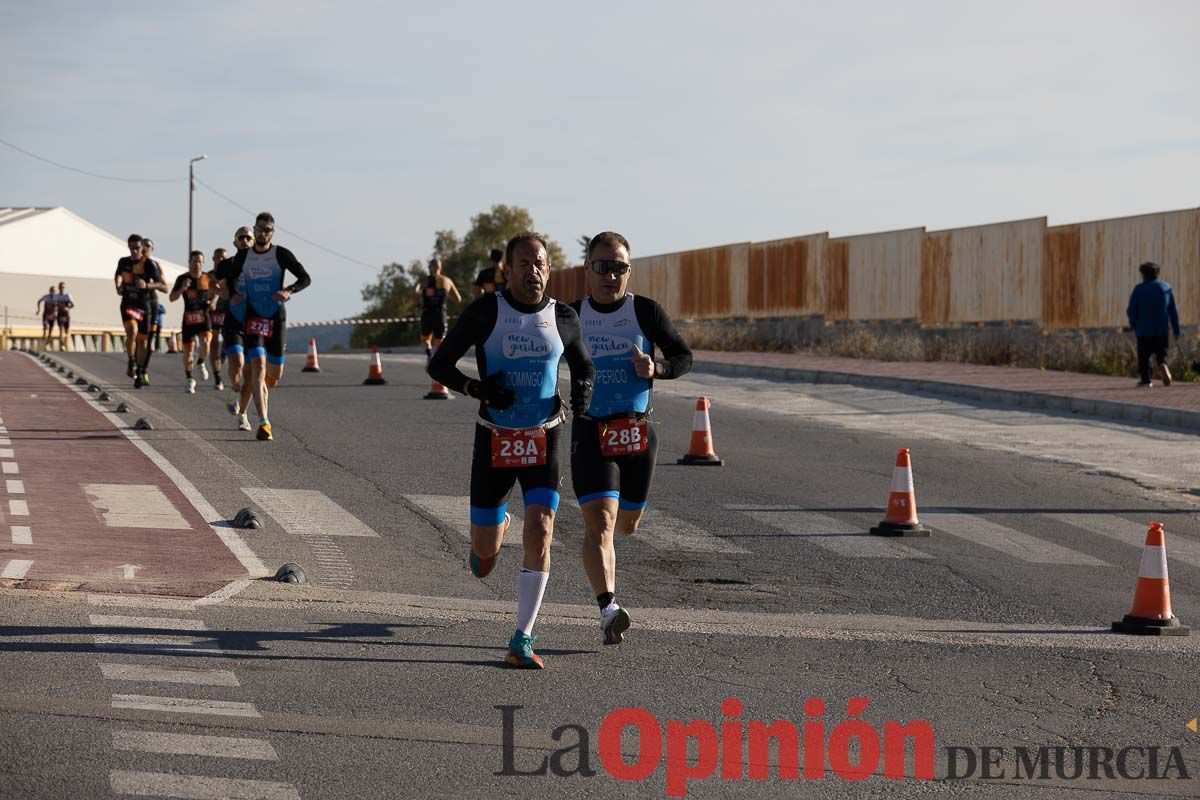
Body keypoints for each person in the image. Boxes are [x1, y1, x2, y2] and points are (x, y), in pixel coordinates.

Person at [428, 232, 594, 669]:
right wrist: (476, 388)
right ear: (508, 271)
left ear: (549, 269)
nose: (532, 271)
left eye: (539, 263)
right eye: (523, 263)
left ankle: (522, 636)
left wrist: (583, 392)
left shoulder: (564, 317)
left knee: (541, 529)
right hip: (495, 435)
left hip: (545, 433)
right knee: (485, 553)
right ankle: (490, 536)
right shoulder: (486, 312)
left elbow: (583, 364)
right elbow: (439, 364)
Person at [570, 231, 693, 645]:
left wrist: (656, 369)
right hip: (592, 432)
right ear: (588, 270)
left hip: (638, 434)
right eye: (602, 267)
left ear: (628, 270)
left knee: (627, 525)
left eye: (618, 267)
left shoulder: (645, 311)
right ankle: (608, 608)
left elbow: (683, 356)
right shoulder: (570, 316)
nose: (610, 275)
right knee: (601, 523)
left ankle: (608, 586)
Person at [219, 212, 311, 441]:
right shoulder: (244, 257)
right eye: (258, 229)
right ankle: (263, 422)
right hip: (253, 317)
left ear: (273, 232)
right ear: (254, 229)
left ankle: (264, 390)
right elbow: (227, 275)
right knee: (257, 365)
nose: (262, 233)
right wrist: (232, 294)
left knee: (273, 374)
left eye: (266, 230)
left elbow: (305, 278)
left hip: (276, 316)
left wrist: (289, 290)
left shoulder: (281, 254)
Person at [113, 234, 165, 387]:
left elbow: (160, 283)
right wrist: (118, 285)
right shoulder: (124, 261)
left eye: (137, 248)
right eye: (131, 247)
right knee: (131, 331)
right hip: (128, 303)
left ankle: (141, 371)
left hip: (144, 306)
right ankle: (131, 361)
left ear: (142, 249)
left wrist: (146, 285)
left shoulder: (148, 264)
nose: (134, 251)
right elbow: (118, 275)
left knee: (143, 341)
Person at [217, 227, 256, 428]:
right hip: (233, 321)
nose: (245, 240)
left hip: (254, 323)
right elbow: (212, 282)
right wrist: (221, 293)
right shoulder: (227, 264)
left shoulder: (261, 265)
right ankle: (233, 388)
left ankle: (243, 414)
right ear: (235, 242)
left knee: (250, 372)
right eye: (241, 238)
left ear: (254, 240)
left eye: (248, 237)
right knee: (238, 363)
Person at [1126, 261, 1181, 388]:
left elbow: (1132, 310)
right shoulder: (1166, 288)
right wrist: (1176, 329)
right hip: (1161, 329)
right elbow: (1173, 311)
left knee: (1144, 357)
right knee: (1161, 353)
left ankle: (1146, 380)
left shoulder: (1139, 290)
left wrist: (1132, 323)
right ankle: (1163, 364)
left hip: (1144, 330)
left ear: (1143, 275)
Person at [169, 251, 213, 394]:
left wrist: (213, 302)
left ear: (203, 263)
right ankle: (190, 379)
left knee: (206, 342)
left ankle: (200, 362)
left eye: (200, 261)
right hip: (189, 318)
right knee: (188, 353)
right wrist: (183, 288)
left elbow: (217, 292)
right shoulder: (182, 278)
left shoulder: (208, 277)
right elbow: (172, 298)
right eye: (194, 261)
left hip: (203, 316)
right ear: (189, 262)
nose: (197, 264)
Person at [414, 256, 461, 360]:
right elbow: (458, 298)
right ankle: (437, 359)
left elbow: (415, 291)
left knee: (425, 339)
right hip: (440, 314)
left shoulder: (424, 280)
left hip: (426, 313)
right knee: (439, 340)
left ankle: (429, 353)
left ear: (430, 268)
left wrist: (417, 303)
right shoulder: (446, 281)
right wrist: (445, 293)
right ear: (440, 267)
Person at [208, 248, 230, 390]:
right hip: (213, 312)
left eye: (223, 258)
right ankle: (217, 377)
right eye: (218, 258)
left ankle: (220, 361)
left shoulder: (230, 275)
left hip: (228, 311)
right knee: (214, 341)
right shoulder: (209, 275)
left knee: (228, 344)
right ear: (213, 259)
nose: (220, 260)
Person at [36, 285, 57, 350]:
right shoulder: (46, 297)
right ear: (50, 291)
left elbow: (59, 306)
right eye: (52, 291)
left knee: (50, 332)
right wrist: (38, 310)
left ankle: (47, 344)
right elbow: (39, 301)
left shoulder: (57, 298)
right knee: (45, 328)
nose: (53, 292)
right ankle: (44, 337)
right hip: (46, 315)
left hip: (53, 316)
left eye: (54, 291)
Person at [54, 282, 74, 351]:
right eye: (61, 287)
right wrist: (55, 309)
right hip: (60, 314)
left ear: (65, 288)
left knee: (66, 331)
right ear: (59, 288)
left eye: (63, 287)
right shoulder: (56, 296)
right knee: (61, 330)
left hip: (66, 315)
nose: (62, 288)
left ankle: (66, 344)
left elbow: (72, 305)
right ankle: (62, 346)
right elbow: (54, 305)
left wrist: (68, 308)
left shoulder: (68, 295)